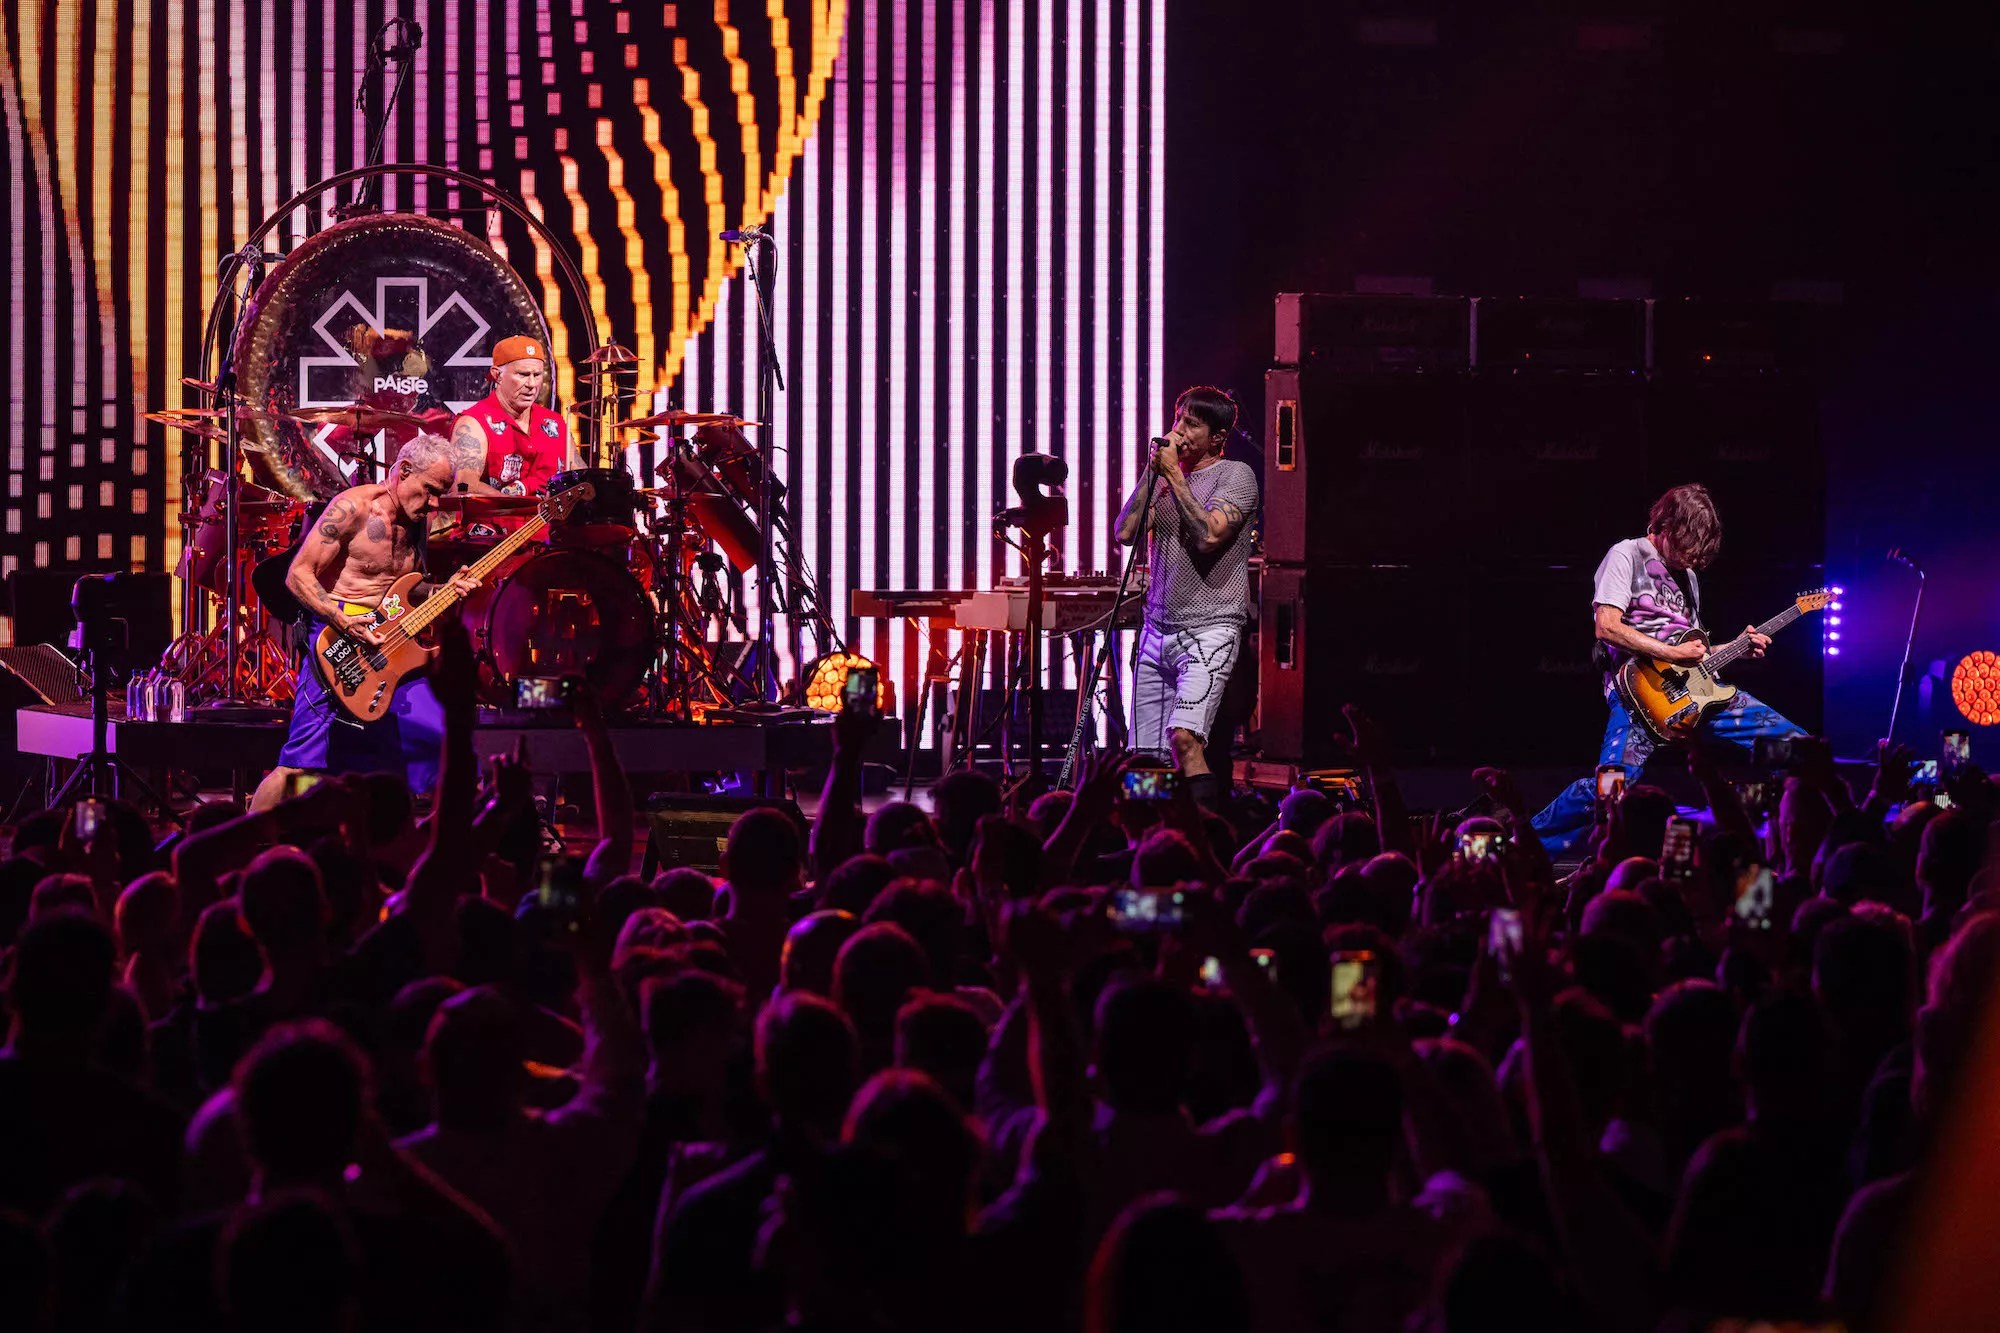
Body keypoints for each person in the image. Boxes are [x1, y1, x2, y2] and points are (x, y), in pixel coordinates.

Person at [1531, 483, 1805, 857]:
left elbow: (1695, 655)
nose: (1691, 559)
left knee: (1799, 749)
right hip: (1639, 697)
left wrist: (1737, 648)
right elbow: (1607, 627)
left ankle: (1786, 850)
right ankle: (1522, 846)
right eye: (1686, 546)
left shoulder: (1687, 576)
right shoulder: (1626, 554)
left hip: (1699, 697)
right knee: (1610, 789)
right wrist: (1673, 653)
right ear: (1664, 525)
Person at [253, 433, 481, 810]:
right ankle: (247, 835)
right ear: (403, 471)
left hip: (388, 646)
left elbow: (405, 590)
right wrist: (342, 620)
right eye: (429, 490)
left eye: (440, 494)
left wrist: (445, 590)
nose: (434, 503)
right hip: (336, 640)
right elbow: (298, 575)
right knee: (300, 765)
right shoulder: (353, 507)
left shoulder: (418, 521)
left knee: (438, 742)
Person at [1115, 386, 1261, 809]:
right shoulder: (1164, 481)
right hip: (1156, 631)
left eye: (1191, 424)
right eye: (1178, 419)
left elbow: (1209, 536)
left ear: (1217, 437)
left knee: (1184, 740)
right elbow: (1125, 533)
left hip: (1210, 630)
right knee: (1144, 760)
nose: (1178, 430)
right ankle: (1146, 835)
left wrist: (1174, 477)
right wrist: (1152, 473)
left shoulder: (1236, 476)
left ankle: (1204, 835)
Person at [448, 334, 572, 495]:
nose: (532, 384)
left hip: (551, 512)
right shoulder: (473, 424)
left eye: (537, 375)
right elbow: (464, 485)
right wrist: (511, 504)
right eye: (523, 374)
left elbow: (579, 475)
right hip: (497, 512)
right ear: (497, 375)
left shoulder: (555, 422)